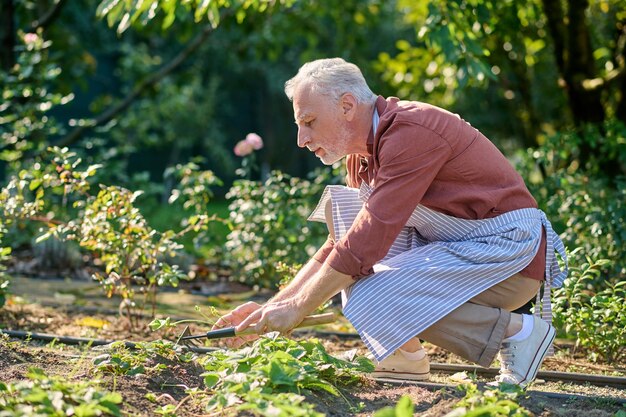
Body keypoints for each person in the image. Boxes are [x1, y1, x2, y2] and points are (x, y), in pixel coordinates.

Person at [213, 57, 568, 387]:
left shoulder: (411, 133)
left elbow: (365, 244)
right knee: (351, 264)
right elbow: (344, 244)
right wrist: (273, 307)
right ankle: (404, 356)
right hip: (463, 250)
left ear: (347, 106)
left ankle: (518, 333)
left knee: (369, 293)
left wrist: (298, 309)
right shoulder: (363, 155)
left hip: (508, 257)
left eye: (308, 122)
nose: (301, 140)